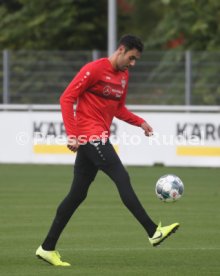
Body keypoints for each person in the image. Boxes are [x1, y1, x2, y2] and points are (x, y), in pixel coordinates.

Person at [36, 34, 179, 266]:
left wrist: (139, 122)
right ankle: (153, 231)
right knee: (121, 176)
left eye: (136, 61)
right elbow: (66, 98)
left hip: (97, 137)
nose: (132, 64)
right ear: (121, 50)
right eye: (131, 58)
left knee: (76, 195)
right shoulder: (93, 69)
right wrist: (73, 134)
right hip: (90, 137)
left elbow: (119, 109)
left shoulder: (123, 76)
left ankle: (47, 247)